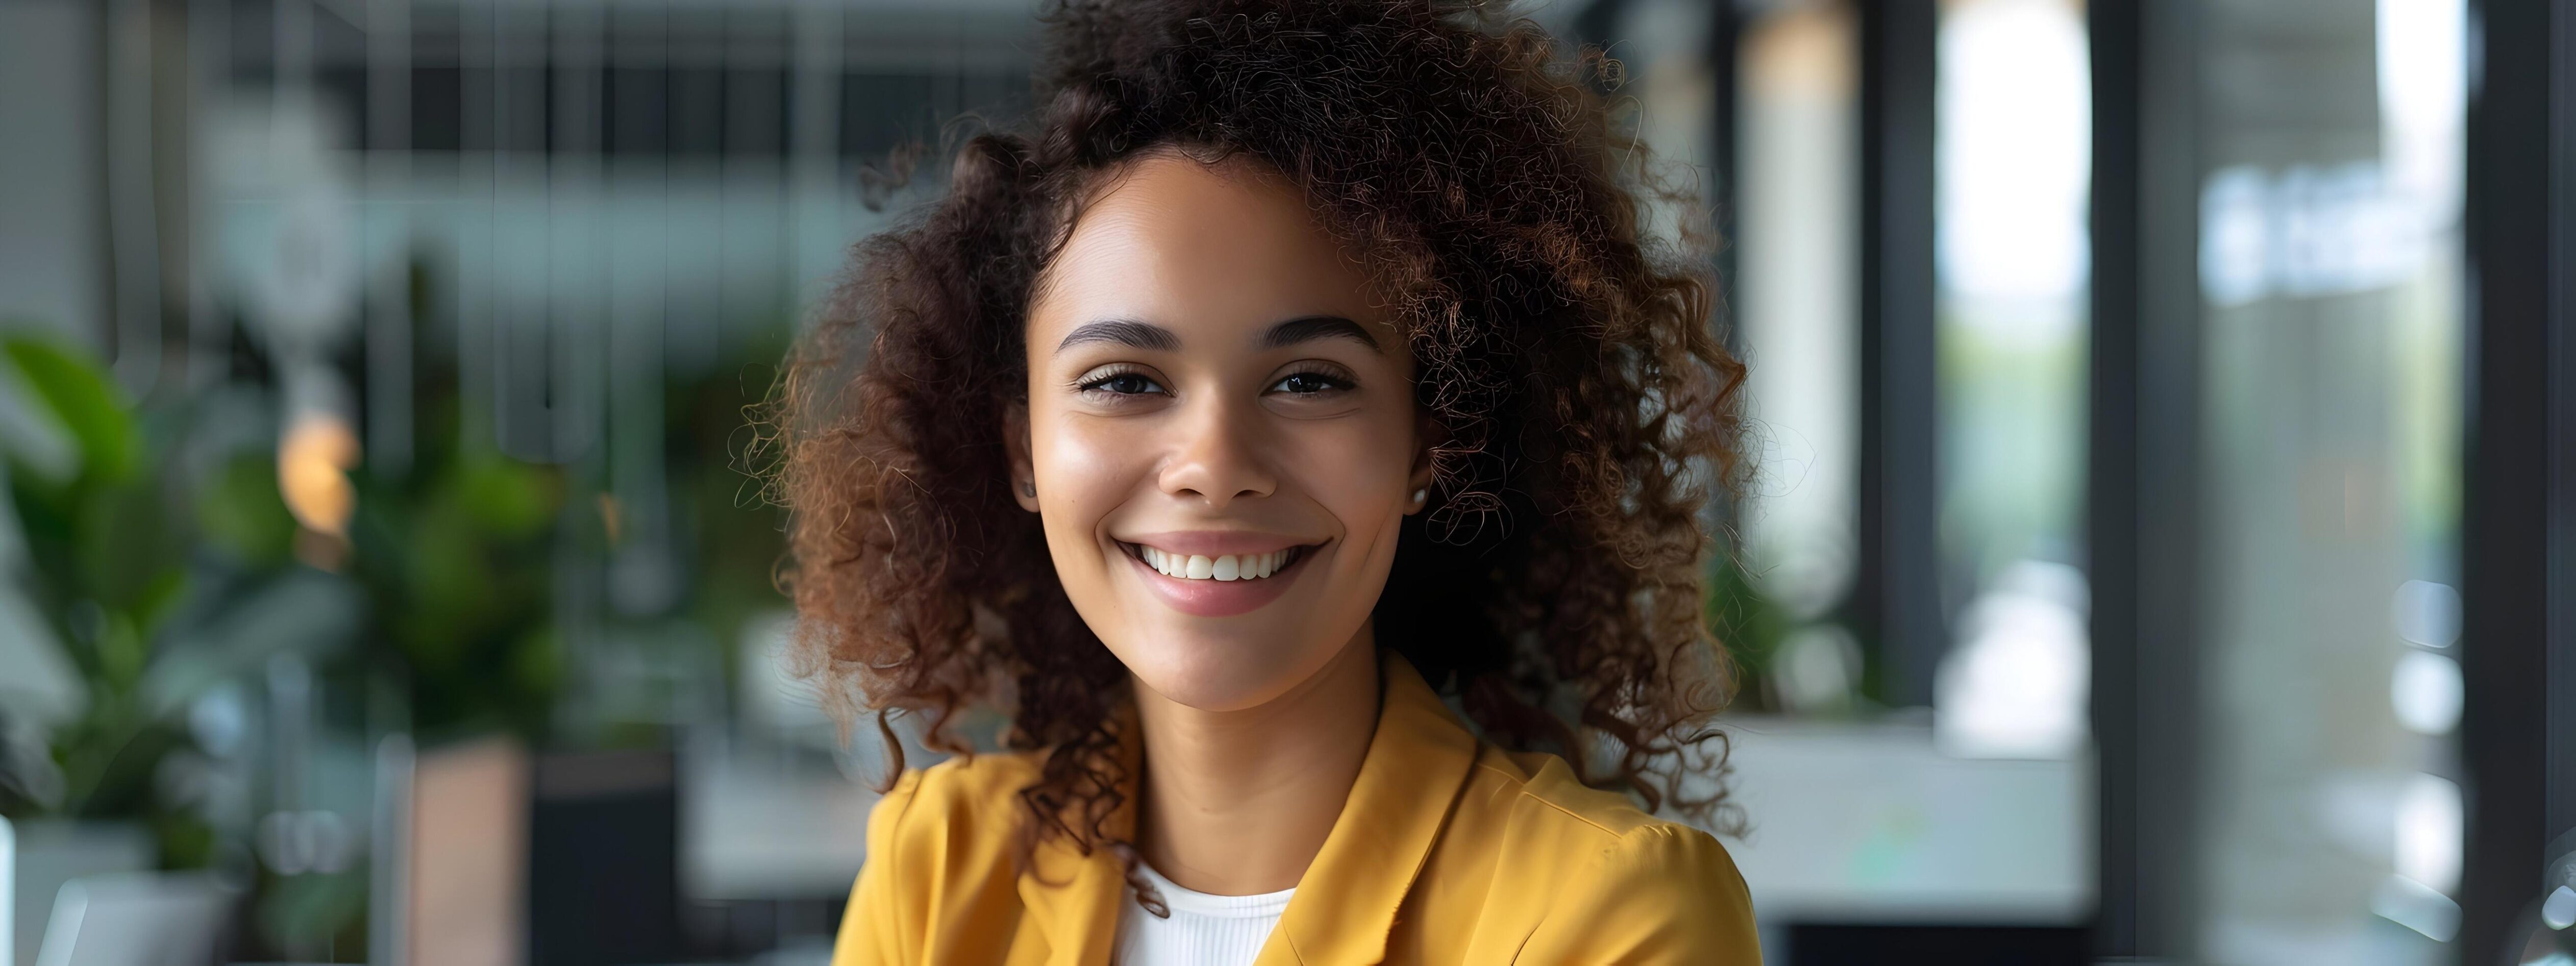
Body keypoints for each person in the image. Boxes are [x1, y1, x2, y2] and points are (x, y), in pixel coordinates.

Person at [775, 1, 1758, 962]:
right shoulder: (938, 872)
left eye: (1308, 380)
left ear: (1428, 443)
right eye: (1123, 380)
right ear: (1024, 451)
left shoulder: (1609, 919)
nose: (1212, 466)